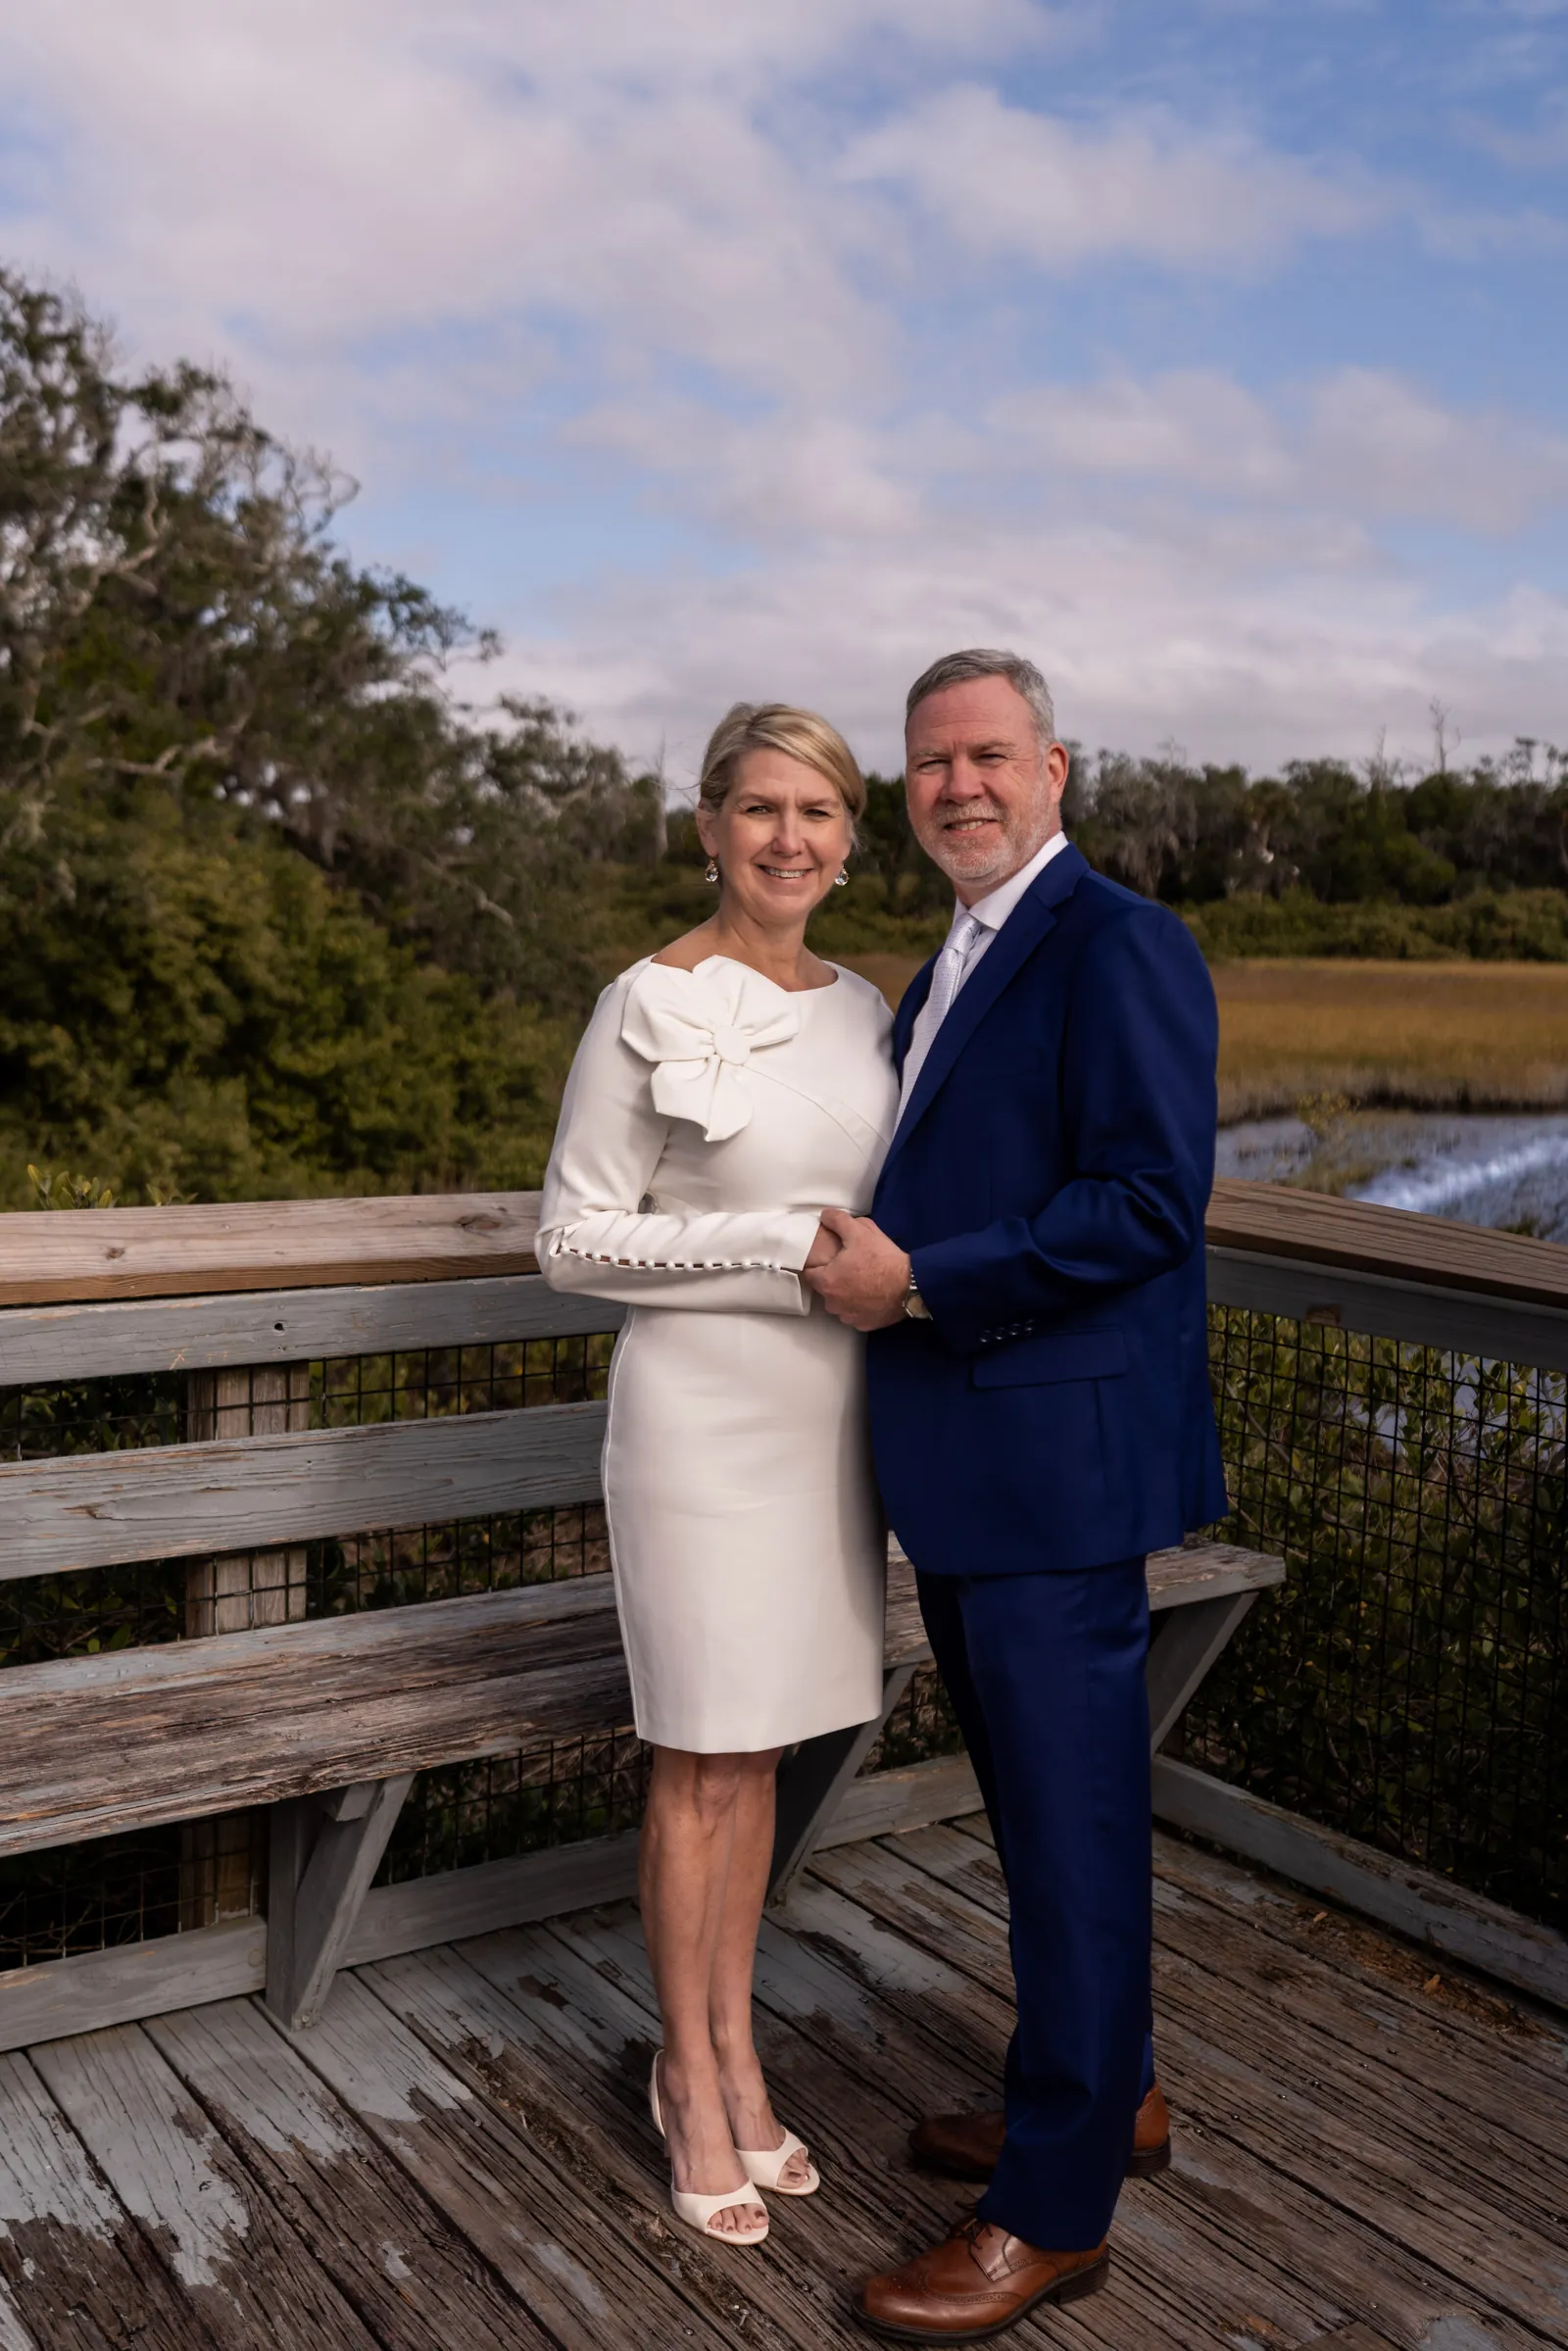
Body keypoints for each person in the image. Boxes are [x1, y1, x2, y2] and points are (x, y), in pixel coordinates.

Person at [807, 649, 1226, 2341]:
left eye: (987, 754)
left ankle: (1053, 2208)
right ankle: (1106, 2088)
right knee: (1049, 1822)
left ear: (1057, 767)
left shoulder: (1120, 942)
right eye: (929, 764)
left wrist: (915, 1283)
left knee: (1071, 1832)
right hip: (980, 1470)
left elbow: (1146, 1205)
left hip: (1055, 1472)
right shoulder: (950, 963)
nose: (957, 785)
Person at [535, 702, 898, 2248]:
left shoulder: (875, 1004)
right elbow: (570, 1238)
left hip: (832, 1423)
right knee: (699, 1760)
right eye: (760, 808)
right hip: (697, 1428)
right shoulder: (642, 1000)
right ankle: (686, 2073)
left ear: (846, 836)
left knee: (760, 1760)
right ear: (708, 824)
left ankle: (741, 2045)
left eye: (818, 812)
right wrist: (774, 1243)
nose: (789, 838)